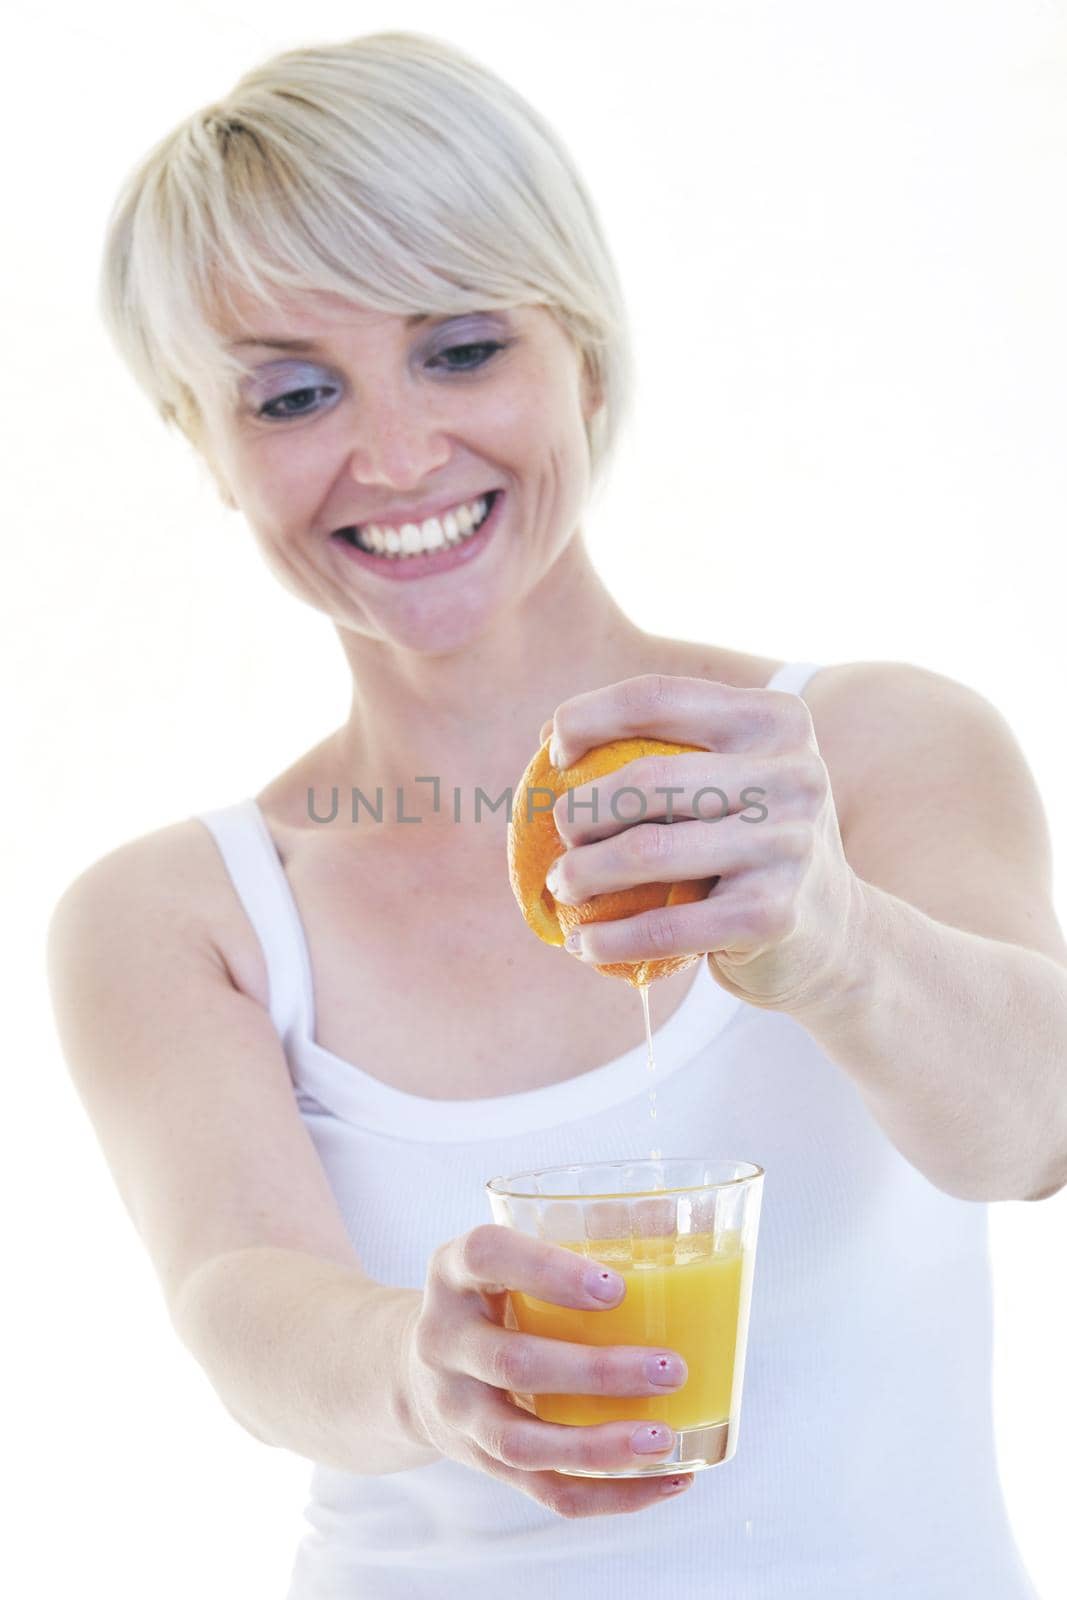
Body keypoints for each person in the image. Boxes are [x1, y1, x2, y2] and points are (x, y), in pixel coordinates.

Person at [46, 29, 1065, 1600]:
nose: (396, 455)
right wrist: (419, 1363)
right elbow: (240, 1305)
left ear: (582, 353)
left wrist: (837, 941)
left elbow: (1037, 1129)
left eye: (461, 349)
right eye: (294, 394)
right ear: (207, 448)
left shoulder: (865, 753)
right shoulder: (176, 918)